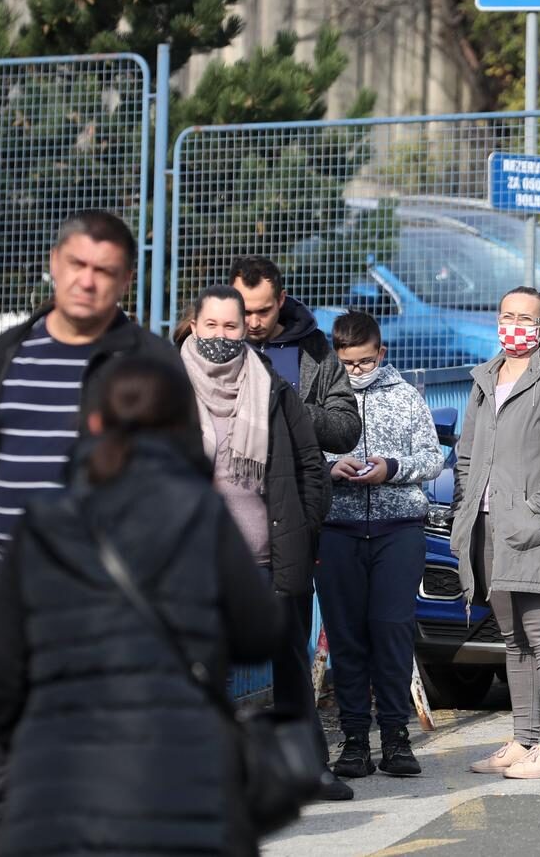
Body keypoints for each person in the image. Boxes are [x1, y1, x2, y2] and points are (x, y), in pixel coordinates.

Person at [0, 210, 199, 853]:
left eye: (104, 272)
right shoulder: (2, 356)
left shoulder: (153, 365)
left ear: (126, 279)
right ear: (54, 265)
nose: (87, 282)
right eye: (77, 265)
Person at [0, 356, 284, 857]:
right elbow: (260, 631)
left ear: (93, 423)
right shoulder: (201, 514)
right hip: (180, 778)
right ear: (183, 424)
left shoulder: (42, 525)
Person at [177, 286, 343, 799]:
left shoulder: (272, 386)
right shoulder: (165, 388)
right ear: (194, 326)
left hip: (270, 555)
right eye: (213, 326)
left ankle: (309, 770)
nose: (222, 336)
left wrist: (304, 527)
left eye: (232, 327)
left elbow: (311, 466)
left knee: (290, 664)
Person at [452, 288, 540, 779]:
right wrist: (466, 510)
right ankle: (523, 739)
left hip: (532, 527)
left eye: (524, 317)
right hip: (488, 527)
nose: (513, 324)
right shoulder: (485, 377)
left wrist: (534, 511)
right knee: (513, 640)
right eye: (506, 314)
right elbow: (467, 455)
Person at [318, 311, 444, 777]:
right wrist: (333, 468)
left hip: (398, 528)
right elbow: (304, 456)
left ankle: (395, 735)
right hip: (338, 529)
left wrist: (391, 468)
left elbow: (433, 458)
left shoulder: (407, 396)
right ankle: (354, 741)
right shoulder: (321, 399)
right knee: (347, 636)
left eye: (366, 362)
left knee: (391, 630)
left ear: (381, 354)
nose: (356, 371)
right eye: (348, 363)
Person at [229, 255, 361, 454]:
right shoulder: (213, 345)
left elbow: (347, 429)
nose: (254, 323)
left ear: (281, 299)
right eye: (246, 312)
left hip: (299, 481)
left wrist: (295, 411)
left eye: (264, 311)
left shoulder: (314, 349)